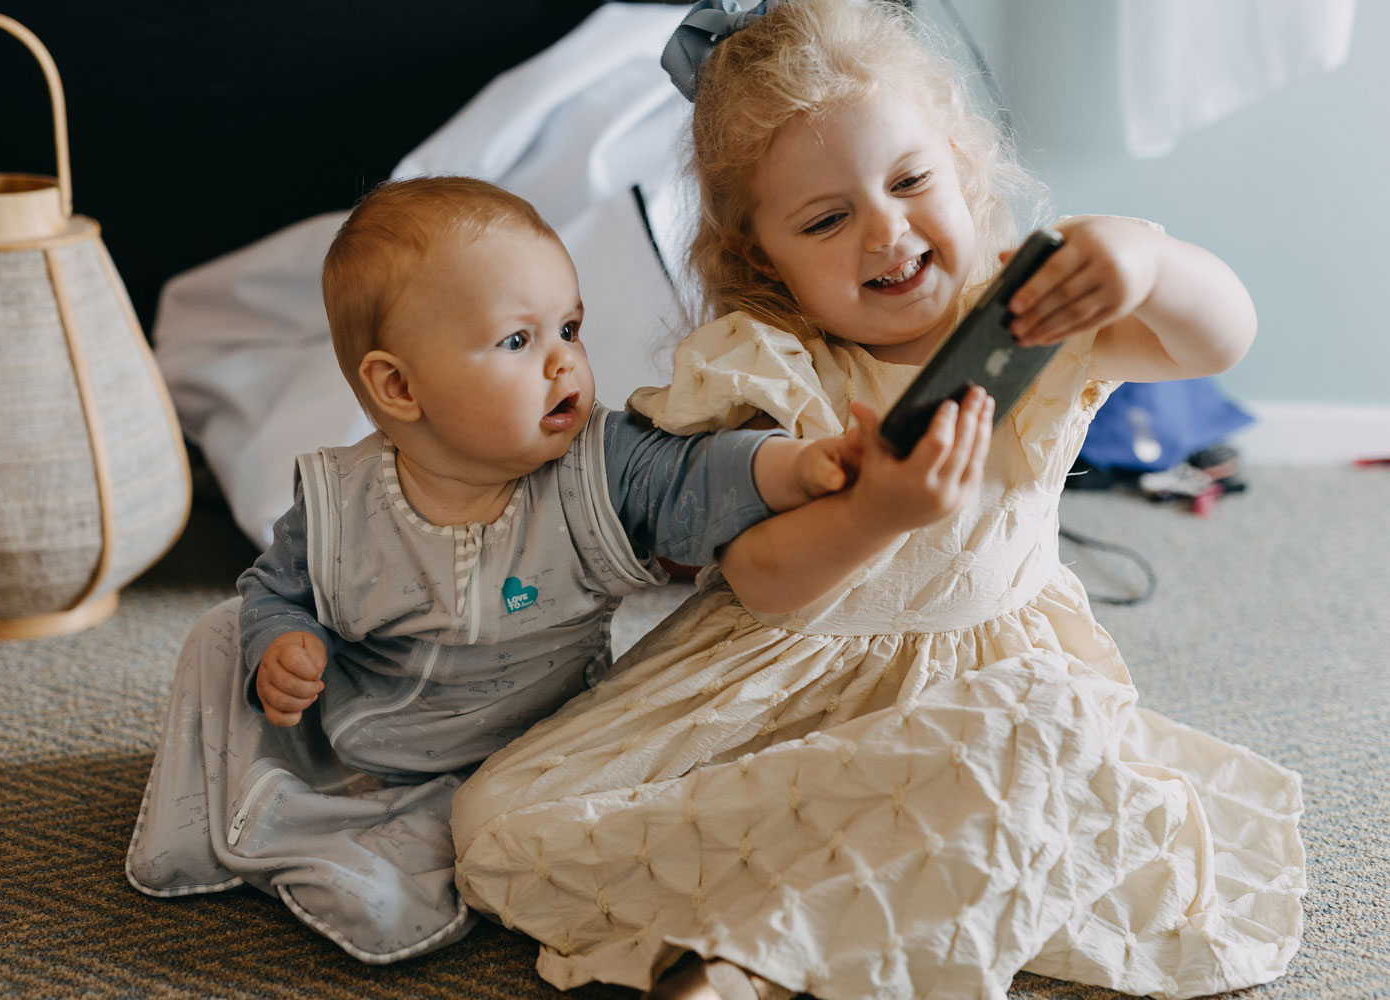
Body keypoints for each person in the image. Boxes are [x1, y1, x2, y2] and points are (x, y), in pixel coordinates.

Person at [448, 3, 1304, 999]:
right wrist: (873, 514)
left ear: (963, 161)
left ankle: (751, 967)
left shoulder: (1038, 314)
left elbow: (1220, 337)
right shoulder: (767, 366)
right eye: (825, 219)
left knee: (1049, 730)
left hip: (990, 681)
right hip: (785, 682)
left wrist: (1145, 261)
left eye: (909, 181)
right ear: (762, 253)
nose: (886, 232)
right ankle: (858, 901)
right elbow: (759, 580)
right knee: (496, 823)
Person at [125, 175, 991, 963]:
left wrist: (801, 467)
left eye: (570, 328)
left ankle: (363, 861)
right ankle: (247, 819)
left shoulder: (599, 467)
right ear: (398, 389)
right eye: (518, 339)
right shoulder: (339, 500)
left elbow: (700, 472)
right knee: (221, 636)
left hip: (509, 759)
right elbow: (275, 588)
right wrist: (286, 645)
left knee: (462, 865)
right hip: (345, 728)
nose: (564, 360)